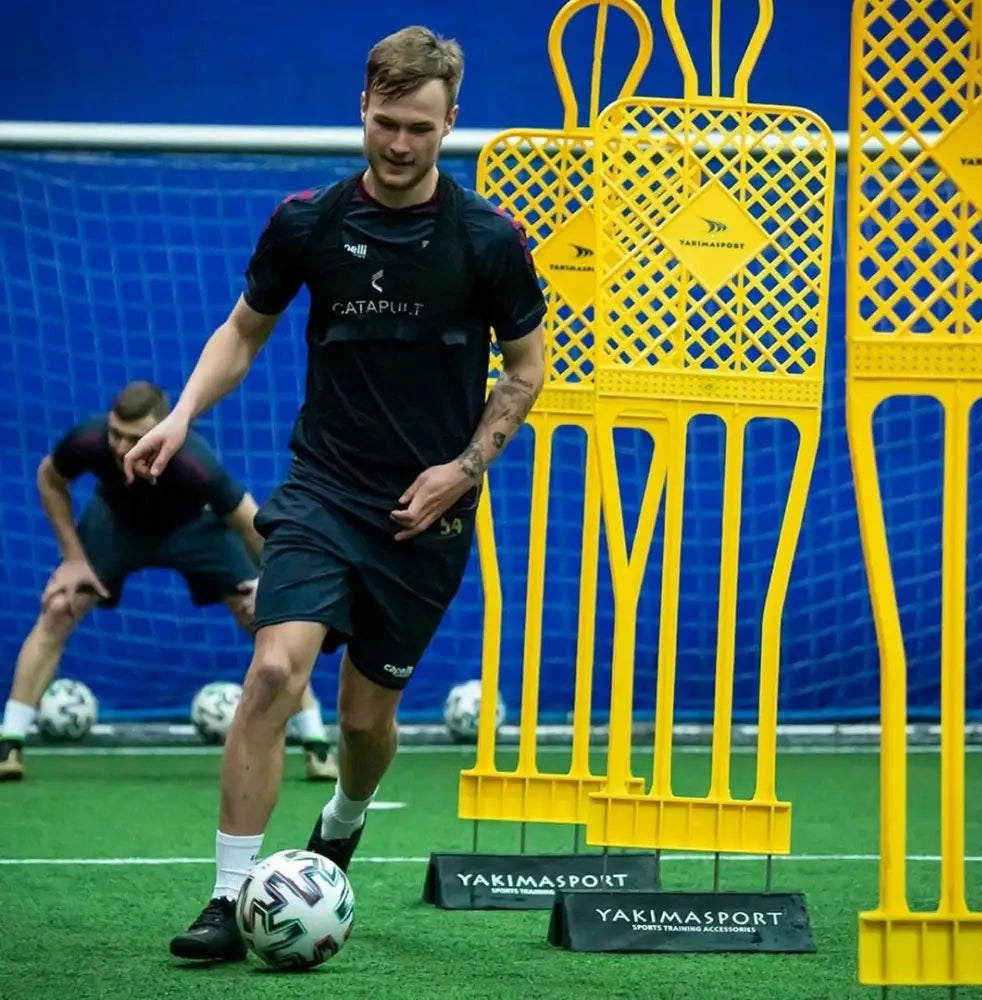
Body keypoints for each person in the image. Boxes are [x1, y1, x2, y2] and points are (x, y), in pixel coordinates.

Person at [123, 25, 547, 963]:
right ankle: (230, 901)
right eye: (388, 123)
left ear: (451, 124)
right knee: (276, 668)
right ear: (362, 107)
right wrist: (182, 412)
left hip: (426, 513)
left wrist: (462, 470)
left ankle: (345, 819)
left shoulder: (487, 240)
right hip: (322, 486)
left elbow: (525, 369)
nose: (401, 146)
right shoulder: (307, 223)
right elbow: (243, 331)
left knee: (366, 720)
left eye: (422, 130)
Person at [0, 380, 339, 784]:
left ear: (164, 432)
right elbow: (50, 479)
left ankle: (316, 742)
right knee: (59, 605)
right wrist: (73, 558)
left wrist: (269, 583)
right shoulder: (88, 441)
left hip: (195, 528)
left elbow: (251, 523)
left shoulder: (195, 464)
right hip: (116, 526)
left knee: (261, 617)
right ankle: (10, 741)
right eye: (116, 434)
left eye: (135, 438)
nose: (121, 448)